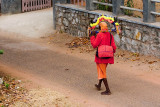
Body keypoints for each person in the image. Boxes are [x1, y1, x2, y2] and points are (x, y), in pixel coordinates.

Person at [90, 22, 117, 95]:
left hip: (101, 57)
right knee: (102, 70)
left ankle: (108, 90)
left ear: (100, 28)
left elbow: (94, 45)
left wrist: (92, 36)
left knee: (103, 72)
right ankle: (99, 85)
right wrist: (111, 52)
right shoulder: (110, 35)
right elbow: (114, 47)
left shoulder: (99, 35)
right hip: (108, 57)